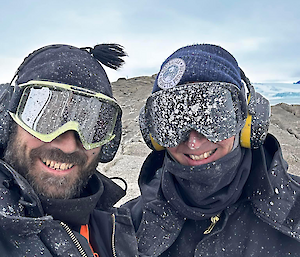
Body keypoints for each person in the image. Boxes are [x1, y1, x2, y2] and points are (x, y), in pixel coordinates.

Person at [124, 44, 300, 256]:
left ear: (247, 122)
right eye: (173, 121)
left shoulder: (295, 212)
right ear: (154, 135)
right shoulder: (127, 225)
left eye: (214, 117)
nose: (194, 143)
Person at [0, 44, 138, 256]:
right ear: (8, 120)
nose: (68, 145)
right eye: (44, 117)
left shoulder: (112, 228)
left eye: (90, 125)